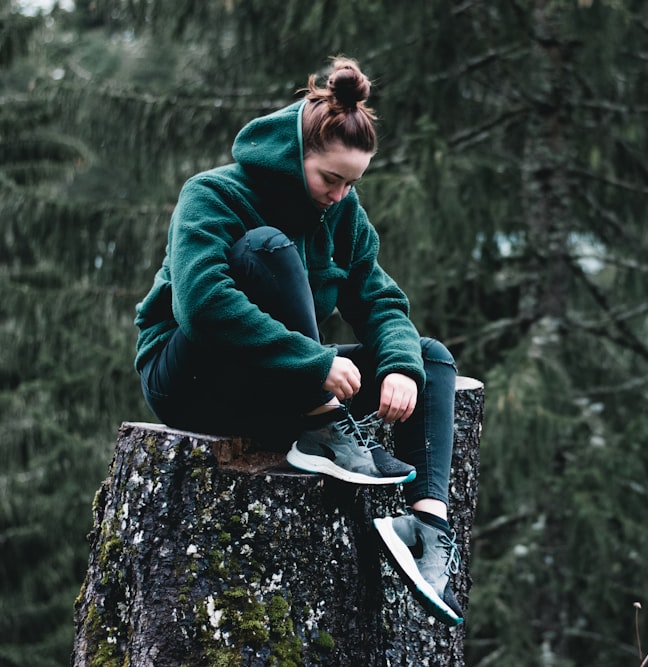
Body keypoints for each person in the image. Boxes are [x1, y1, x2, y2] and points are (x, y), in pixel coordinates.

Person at [133, 55, 463, 626]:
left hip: (278, 382)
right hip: (187, 376)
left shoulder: (344, 215)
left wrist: (402, 367)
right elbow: (203, 307)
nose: (339, 194)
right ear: (294, 158)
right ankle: (320, 424)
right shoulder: (213, 194)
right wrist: (314, 370)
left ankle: (424, 529)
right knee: (266, 247)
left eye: (351, 182)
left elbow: (381, 301)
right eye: (329, 178)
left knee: (432, 359)